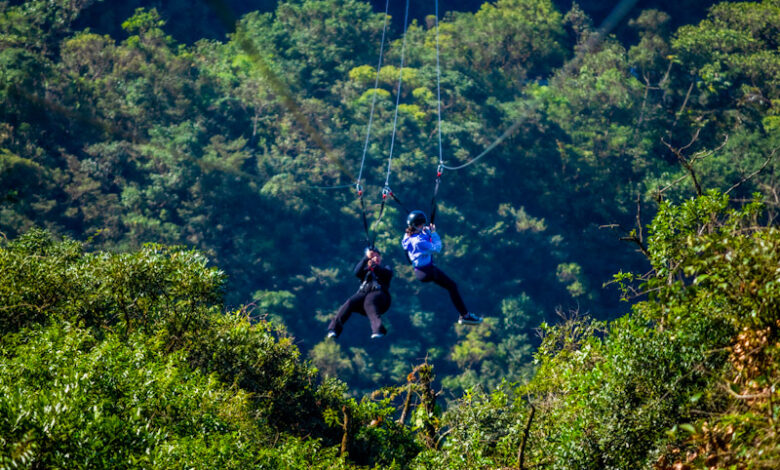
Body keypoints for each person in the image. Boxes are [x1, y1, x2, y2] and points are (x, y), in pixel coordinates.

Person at [401, 210, 482, 325]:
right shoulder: (418, 242)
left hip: (420, 270)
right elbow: (437, 248)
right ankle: (465, 316)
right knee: (452, 286)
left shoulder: (407, 237)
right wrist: (433, 233)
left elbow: (418, 240)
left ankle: (465, 315)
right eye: (421, 225)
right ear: (416, 226)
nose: (423, 226)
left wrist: (426, 232)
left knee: (451, 286)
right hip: (427, 272)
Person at [327, 247, 393, 339]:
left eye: (378, 256)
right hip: (363, 296)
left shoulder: (386, 268)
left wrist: (374, 266)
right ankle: (333, 329)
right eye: (373, 256)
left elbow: (387, 274)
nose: (376, 258)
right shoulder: (365, 271)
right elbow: (356, 272)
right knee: (350, 302)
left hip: (380, 297)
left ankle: (378, 329)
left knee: (370, 300)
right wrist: (366, 258)